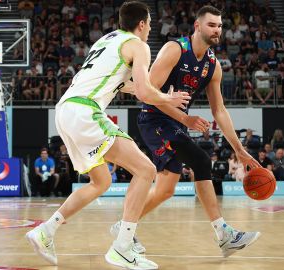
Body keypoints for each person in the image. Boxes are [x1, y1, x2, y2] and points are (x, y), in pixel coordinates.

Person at [25, 2, 190, 269]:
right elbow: (147, 93)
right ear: (142, 24)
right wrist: (167, 97)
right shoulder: (139, 45)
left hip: (65, 110)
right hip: (85, 110)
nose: (149, 29)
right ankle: (122, 247)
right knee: (146, 170)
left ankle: (45, 231)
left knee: (100, 182)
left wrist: (148, 90)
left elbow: (126, 84)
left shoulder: (108, 39)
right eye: (149, 24)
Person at [110, 5, 261, 259]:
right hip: (154, 119)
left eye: (220, 26)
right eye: (212, 25)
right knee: (201, 161)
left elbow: (219, 111)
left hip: (176, 124)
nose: (217, 30)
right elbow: (147, 95)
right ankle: (223, 235)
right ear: (197, 26)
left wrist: (239, 149)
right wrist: (185, 118)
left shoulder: (213, 65)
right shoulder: (175, 49)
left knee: (167, 189)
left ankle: (122, 226)